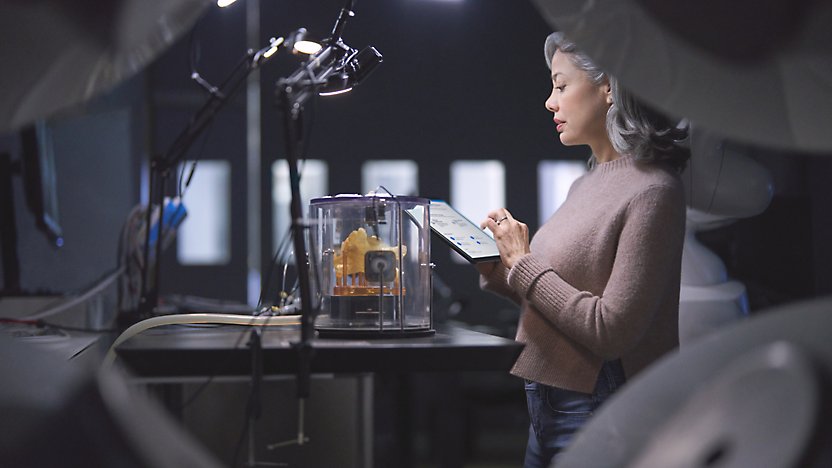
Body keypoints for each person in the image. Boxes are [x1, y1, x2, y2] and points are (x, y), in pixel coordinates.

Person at [476, 32, 690, 467]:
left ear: (609, 85)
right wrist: (496, 262)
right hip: (548, 408)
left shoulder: (653, 191)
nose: (549, 103)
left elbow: (611, 331)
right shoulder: (586, 182)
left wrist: (523, 260)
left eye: (560, 85)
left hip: (599, 407)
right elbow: (550, 296)